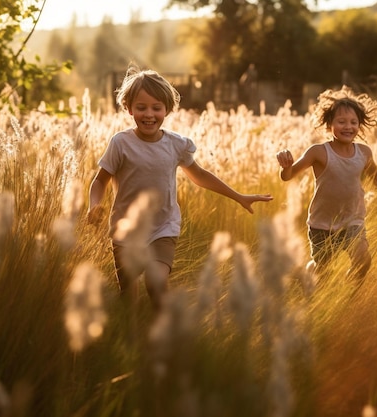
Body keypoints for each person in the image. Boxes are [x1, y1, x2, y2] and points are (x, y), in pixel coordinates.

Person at [87, 67, 273, 311]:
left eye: (156, 107)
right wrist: (94, 205)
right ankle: (134, 335)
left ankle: (165, 334)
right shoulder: (121, 143)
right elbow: (100, 180)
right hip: (125, 229)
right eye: (141, 107)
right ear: (129, 108)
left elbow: (199, 175)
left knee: (156, 283)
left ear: (167, 109)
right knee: (128, 296)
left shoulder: (176, 144)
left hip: (163, 228)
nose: (149, 114)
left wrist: (238, 196)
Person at [275, 86, 377, 284]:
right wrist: (285, 166)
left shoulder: (364, 152)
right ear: (329, 126)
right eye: (341, 121)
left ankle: (348, 289)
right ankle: (311, 271)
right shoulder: (318, 152)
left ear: (359, 126)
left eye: (353, 122)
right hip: (322, 224)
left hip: (353, 221)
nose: (348, 126)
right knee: (323, 270)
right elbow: (288, 175)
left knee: (363, 260)